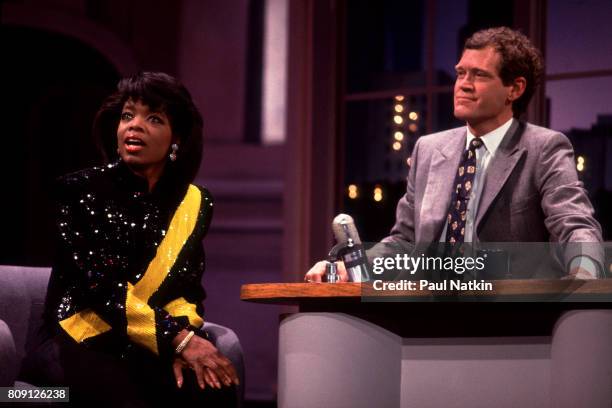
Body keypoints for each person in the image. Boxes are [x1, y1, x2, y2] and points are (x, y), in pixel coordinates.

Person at [306, 27, 603, 283]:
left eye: (479, 75)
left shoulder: (544, 147)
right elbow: (403, 243)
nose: (463, 84)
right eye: (461, 72)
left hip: (510, 317)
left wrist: (584, 273)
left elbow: (574, 224)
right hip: (426, 310)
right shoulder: (429, 149)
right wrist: (349, 267)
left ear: (514, 88)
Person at [21, 72, 239, 407]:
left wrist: (186, 338)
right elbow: (98, 290)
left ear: (176, 138)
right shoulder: (82, 191)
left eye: (153, 118)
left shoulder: (194, 203)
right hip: (75, 339)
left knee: (212, 387)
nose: (134, 126)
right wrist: (176, 340)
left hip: (140, 341)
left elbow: (185, 291)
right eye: (127, 116)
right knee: (132, 392)